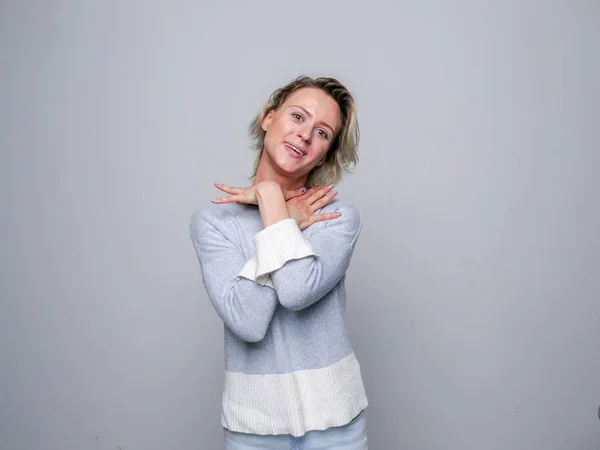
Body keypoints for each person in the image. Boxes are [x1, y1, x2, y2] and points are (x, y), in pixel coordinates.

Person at [190, 75, 369, 449]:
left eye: (322, 132)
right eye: (298, 117)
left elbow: (295, 290)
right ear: (268, 118)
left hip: (336, 426)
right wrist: (285, 217)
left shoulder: (336, 218)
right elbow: (248, 321)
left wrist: (271, 201)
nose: (305, 135)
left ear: (326, 153)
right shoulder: (213, 224)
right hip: (253, 430)